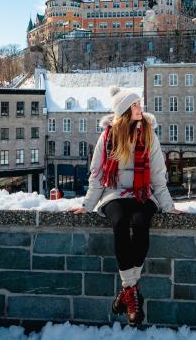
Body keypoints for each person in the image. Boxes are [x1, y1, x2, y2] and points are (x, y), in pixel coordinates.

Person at [71, 86, 179, 326]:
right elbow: (98, 173)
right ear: (125, 111)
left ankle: (127, 292)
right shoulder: (108, 136)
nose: (140, 108)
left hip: (142, 193)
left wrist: (168, 206)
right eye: (135, 105)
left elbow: (159, 174)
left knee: (141, 224)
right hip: (114, 193)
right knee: (119, 223)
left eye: (139, 103)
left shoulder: (149, 134)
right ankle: (132, 292)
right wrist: (88, 205)